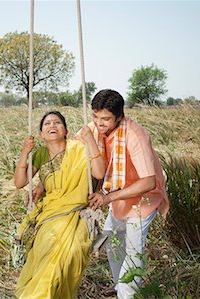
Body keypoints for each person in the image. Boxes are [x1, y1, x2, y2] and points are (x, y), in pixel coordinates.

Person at [86, 89, 169, 299]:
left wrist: (107, 198)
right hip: (120, 196)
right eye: (95, 117)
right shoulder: (96, 128)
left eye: (105, 119)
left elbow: (149, 182)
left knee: (133, 249)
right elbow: (73, 147)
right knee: (111, 244)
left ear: (119, 116)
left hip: (144, 198)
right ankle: (118, 288)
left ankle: (127, 295)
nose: (99, 123)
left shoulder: (134, 135)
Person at [14, 111, 106, 299]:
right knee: (47, 253)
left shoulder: (79, 149)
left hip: (77, 214)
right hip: (51, 214)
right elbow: (19, 182)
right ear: (41, 134)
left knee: (72, 253)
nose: (52, 126)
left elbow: (98, 173)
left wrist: (90, 142)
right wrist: (25, 151)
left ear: (66, 130)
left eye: (57, 123)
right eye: (47, 124)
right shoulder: (39, 154)